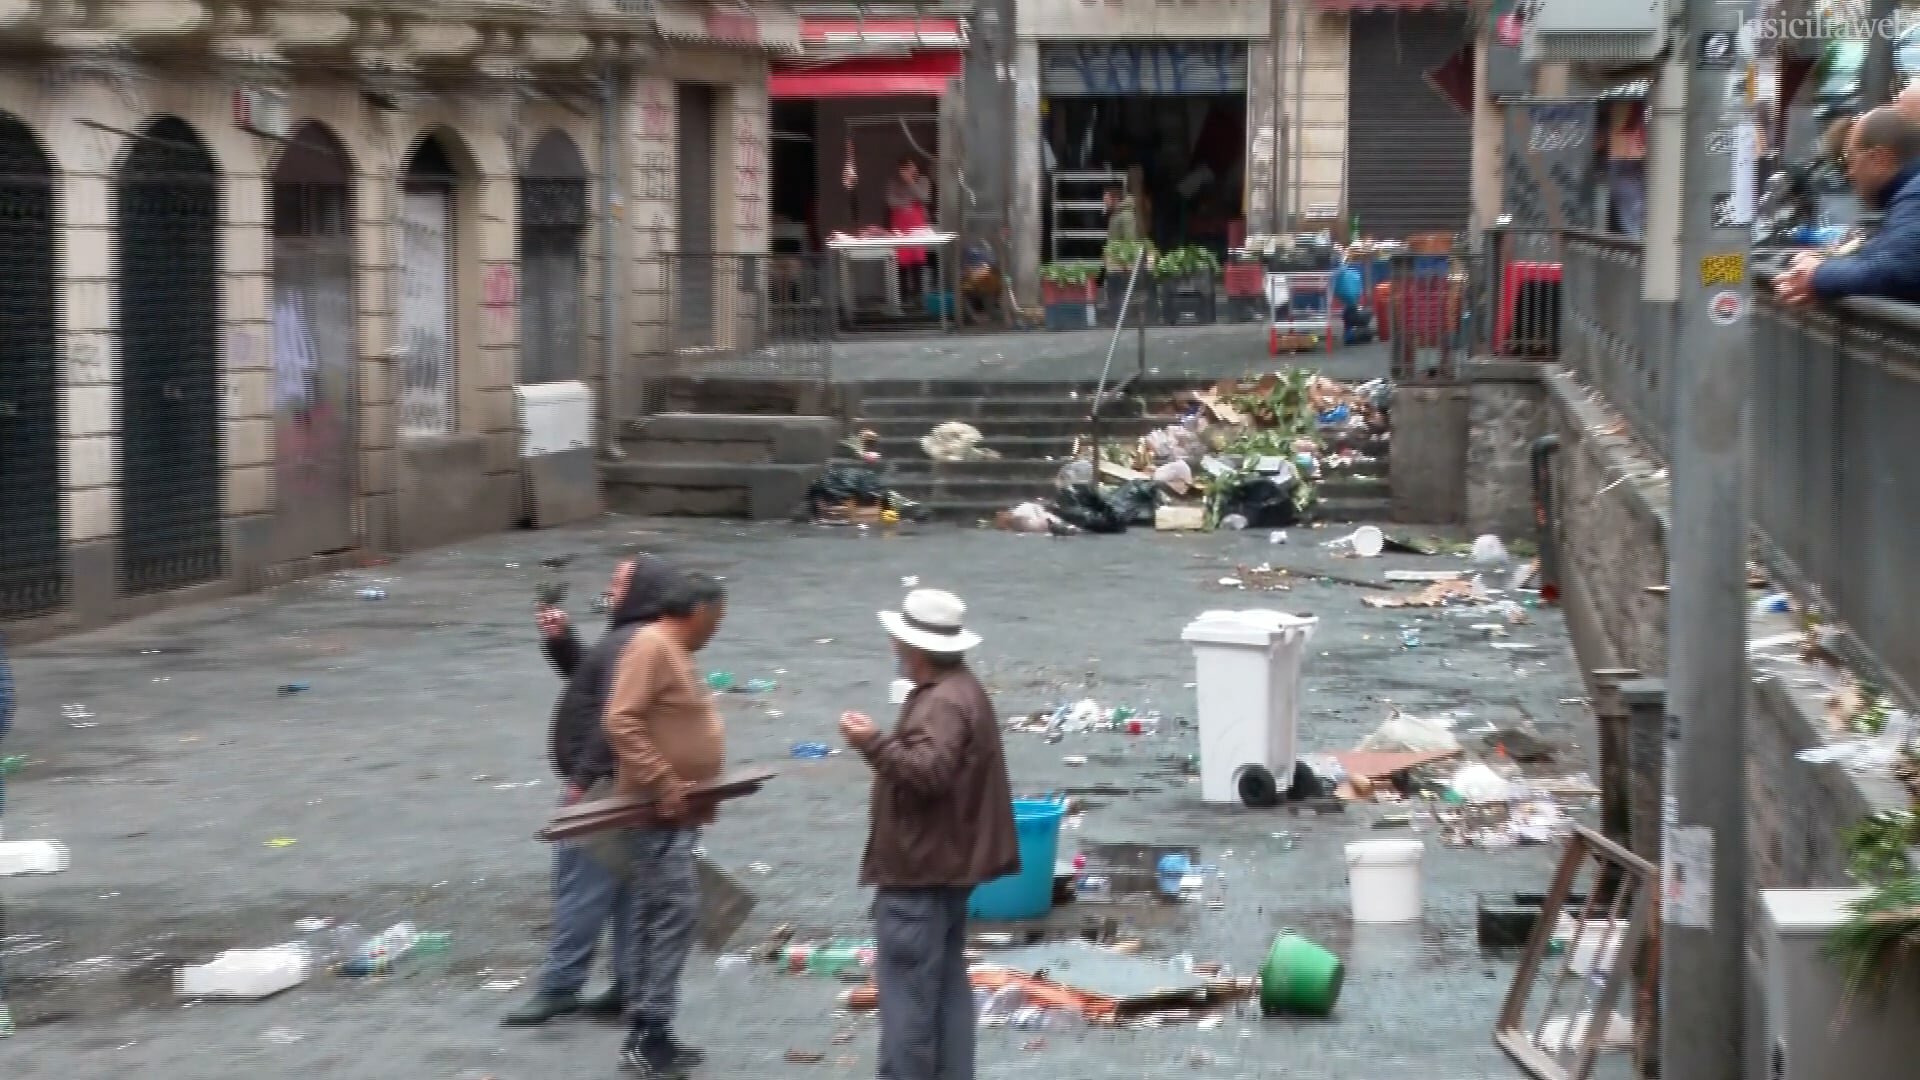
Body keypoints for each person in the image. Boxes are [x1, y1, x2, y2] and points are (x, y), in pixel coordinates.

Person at [839, 589, 1018, 1080]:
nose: (895, 648)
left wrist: (871, 742)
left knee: (909, 1002)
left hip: (921, 870)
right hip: (946, 865)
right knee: (943, 990)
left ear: (911, 647)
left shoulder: (942, 702)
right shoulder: (961, 690)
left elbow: (928, 773)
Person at [505, 556, 678, 1026]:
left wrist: (581, 784)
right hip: (624, 786)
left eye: (621, 582)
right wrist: (561, 641)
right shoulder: (634, 640)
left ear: (643, 590)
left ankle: (561, 986)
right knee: (624, 888)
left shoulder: (633, 644)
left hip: (605, 786)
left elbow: (613, 722)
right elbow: (590, 681)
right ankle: (628, 983)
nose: (611, 588)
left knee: (580, 889)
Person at [602, 572, 729, 1078]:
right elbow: (620, 719)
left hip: (678, 809)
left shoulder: (672, 651)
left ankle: (652, 1026)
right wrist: (662, 781)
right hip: (656, 811)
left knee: (661, 914)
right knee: (672, 911)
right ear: (697, 610)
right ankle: (647, 1031)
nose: (716, 630)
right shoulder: (652, 646)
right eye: (716, 619)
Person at [1776, 106, 1920, 307]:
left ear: (1879, 158)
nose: (1849, 173)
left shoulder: (1915, 194)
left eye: (1849, 160)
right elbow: (1890, 258)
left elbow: (1902, 270)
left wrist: (1818, 276)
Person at [887, 156, 932, 306]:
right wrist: (909, 202)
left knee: (918, 260)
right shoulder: (893, 182)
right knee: (901, 261)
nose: (910, 171)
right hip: (900, 226)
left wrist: (911, 183)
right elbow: (891, 201)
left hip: (918, 226)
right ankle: (903, 296)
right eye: (906, 168)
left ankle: (919, 296)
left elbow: (925, 198)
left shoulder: (923, 180)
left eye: (912, 167)